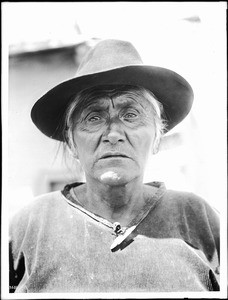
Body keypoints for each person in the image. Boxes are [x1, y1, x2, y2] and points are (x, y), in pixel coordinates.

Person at [9, 39, 220, 293]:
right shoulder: (30, 225)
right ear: (71, 142)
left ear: (156, 137)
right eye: (94, 117)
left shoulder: (198, 218)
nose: (113, 134)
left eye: (131, 115)